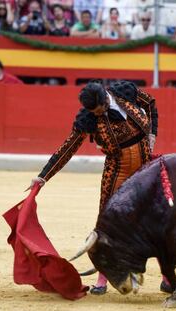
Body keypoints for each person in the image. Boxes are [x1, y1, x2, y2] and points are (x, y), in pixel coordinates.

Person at [29, 80, 159, 295]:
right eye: (94, 112)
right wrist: (43, 176)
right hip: (118, 170)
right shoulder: (89, 118)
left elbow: (151, 103)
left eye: (100, 110)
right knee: (107, 225)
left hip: (146, 167)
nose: (98, 115)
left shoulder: (126, 92)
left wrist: (153, 133)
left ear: (106, 98)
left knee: (157, 217)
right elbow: (67, 148)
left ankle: (167, 276)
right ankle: (102, 276)